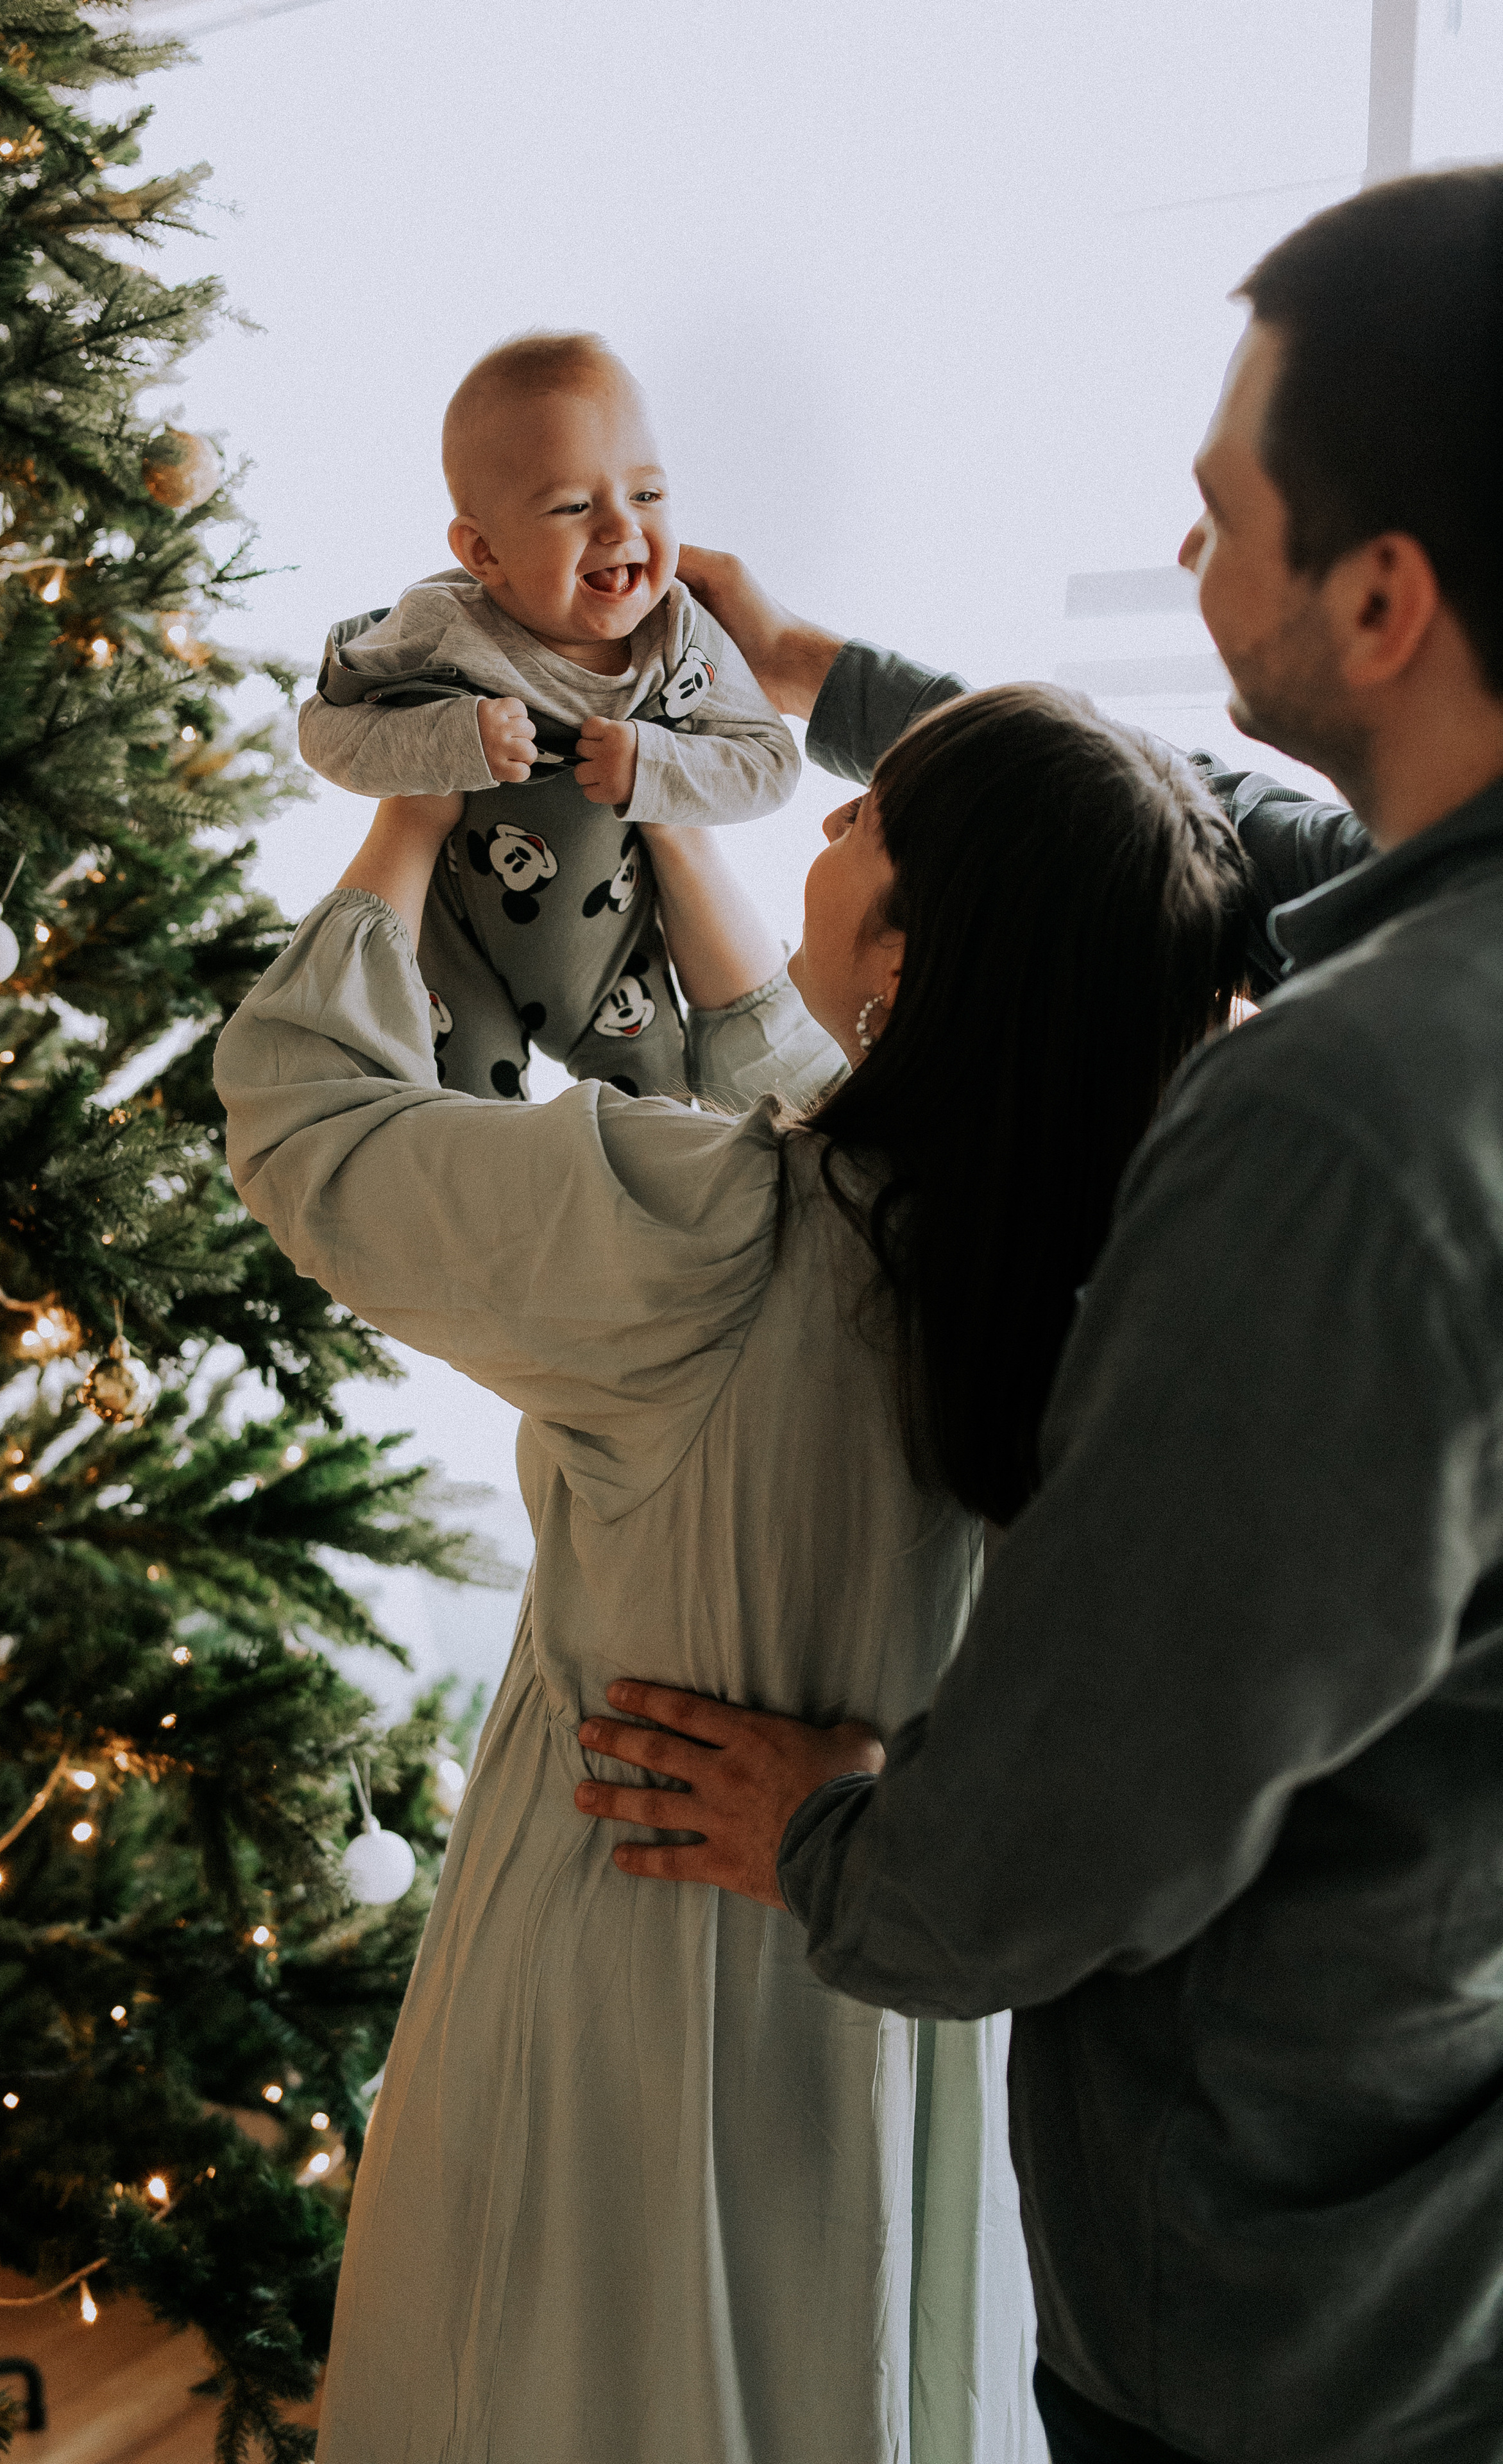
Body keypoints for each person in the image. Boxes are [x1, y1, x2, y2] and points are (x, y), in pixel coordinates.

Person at [575, 167, 1503, 2464]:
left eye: (1217, 518)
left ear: (1377, 595)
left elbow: (1063, 1832)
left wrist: (840, 1842)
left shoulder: (1328, 1140)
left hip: (1286, 2331)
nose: (1183, 561)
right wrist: (815, 679)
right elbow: (1190, 826)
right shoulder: (1415, 955)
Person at [214, 679, 1249, 2462]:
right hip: (891, 1978)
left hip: (634, 1976)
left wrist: (398, 815)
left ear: (919, 964)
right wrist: (680, 837)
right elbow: (835, 1137)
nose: (824, 831)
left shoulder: (702, 1238)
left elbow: (304, 1126)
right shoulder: (1109, 1288)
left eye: (865, 828)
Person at [296, 330, 799, 1101]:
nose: (620, 528)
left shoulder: (680, 637)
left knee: (666, 1124)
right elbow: (324, 731)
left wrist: (656, 767)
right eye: (572, 506)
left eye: (647, 495)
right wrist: (447, 741)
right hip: (456, 951)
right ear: (483, 552)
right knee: (459, 1126)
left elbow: (770, 765)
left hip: (607, 958)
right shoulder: (439, 628)